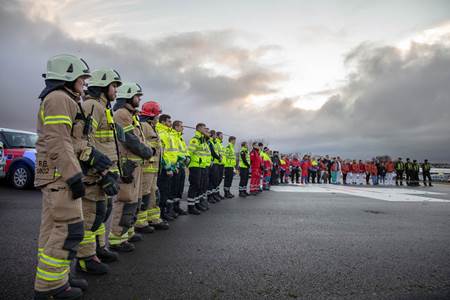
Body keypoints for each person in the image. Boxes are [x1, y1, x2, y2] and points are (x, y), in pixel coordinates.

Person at [34, 54, 94, 299]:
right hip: (61, 175)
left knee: (52, 230)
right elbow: (59, 140)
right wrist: (73, 176)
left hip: (56, 175)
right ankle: (50, 288)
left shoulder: (61, 98)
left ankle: (55, 278)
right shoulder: (59, 98)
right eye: (82, 78)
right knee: (70, 230)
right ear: (68, 76)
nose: (84, 83)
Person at [76, 68, 123, 275]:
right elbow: (84, 142)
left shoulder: (104, 109)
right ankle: (85, 258)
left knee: (101, 214)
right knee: (90, 216)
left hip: (105, 173)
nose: (116, 91)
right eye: (114, 86)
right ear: (103, 87)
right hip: (95, 175)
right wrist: (100, 172)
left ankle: (97, 249)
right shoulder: (92, 106)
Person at [109, 82, 154, 251]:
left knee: (134, 201)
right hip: (128, 165)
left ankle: (127, 233)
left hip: (136, 164)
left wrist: (146, 150)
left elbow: (138, 139)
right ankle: (117, 239)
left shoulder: (131, 115)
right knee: (125, 201)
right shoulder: (121, 114)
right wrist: (148, 151)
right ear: (128, 96)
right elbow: (130, 139)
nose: (139, 99)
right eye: (137, 96)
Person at [138, 101, 170, 231]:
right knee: (145, 194)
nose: (158, 118)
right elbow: (142, 143)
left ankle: (153, 218)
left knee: (153, 194)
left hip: (154, 168)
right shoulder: (144, 126)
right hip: (146, 168)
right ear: (151, 115)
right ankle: (140, 222)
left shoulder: (152, 127)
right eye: (156, 115)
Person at [155, 114, 178, 220]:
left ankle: (165, 212)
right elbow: (163, 154)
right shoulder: (162, 133)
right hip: (164, 168)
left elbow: (172, 153)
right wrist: (168, 168)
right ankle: (161, 213)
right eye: (169, 121)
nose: (171, 123)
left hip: (170, 166)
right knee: (163, 191)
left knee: (167, 191)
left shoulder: (168, 133)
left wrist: (174, 166)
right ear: (163, 122)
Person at [187, 123, 208, 214]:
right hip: (195, 165)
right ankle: (191, 206)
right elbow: (190, 152)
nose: (205, 130)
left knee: (199, 186)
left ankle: (196, 203)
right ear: (199, 129)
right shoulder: (195, 140)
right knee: (194, 186)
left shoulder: (202, 140)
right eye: (204, 128)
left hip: (201, 166)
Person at [171, 120, 189, 215]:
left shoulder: (180, 138)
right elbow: (173, 152)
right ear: (176, 127)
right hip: (176, 166)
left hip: (182, 166)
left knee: (179, 188)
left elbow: (184, 151)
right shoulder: (173, 137)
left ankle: (177, 206)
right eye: (181, 126)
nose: (183, 128)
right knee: (173, 188)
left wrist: (187, 157)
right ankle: (171, 208)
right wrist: (181, 159)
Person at [206, 130, 221, 203]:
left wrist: (219, 157)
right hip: (212, 163)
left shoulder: (214, 142)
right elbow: (212, 152)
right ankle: (210, 196)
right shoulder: (210, 142)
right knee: (211, 181)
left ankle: (213, 195)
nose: (216, 136)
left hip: (215, 163)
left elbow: (216, 152)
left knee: (214, 180)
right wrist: (218, 157)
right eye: (215, 135)